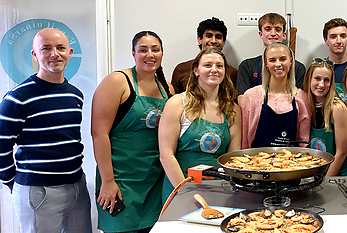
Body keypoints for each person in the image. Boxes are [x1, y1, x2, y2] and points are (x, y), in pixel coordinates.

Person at [0, 28, 92, 233]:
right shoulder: (18, 98)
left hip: (77, 185)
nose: (54, 54)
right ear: (35, 55)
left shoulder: (75, 95)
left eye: (60, 48)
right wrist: (12, 182)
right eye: (46, 48)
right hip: (38, 191)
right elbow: (1, 144)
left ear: (70, 52)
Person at [92, 31, 173, 233]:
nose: (150, 55)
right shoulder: (117, 82)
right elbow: (98, 134)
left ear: (162, 53)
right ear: (133, 53)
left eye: (155, 49)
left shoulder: (167, 89)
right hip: (121, 179)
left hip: (154, 181)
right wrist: (108, 181)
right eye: (143, 50)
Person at [159, 48, 241, 202]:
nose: (214, 70)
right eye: (208, 65)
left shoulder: (233, 110)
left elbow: (233, 158)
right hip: (179, 187)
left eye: (219, 66)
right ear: (196, 70)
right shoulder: (177, 104)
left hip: (218, 189)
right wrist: (184, 192)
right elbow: (166, 155)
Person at [241, 42, 310, 149]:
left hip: (291, 163)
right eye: (272, 60)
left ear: (291, 61)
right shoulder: (250, 96)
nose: (278, 64)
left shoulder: (302, 98)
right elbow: (244, 141)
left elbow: (304, 143)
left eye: (283, 59)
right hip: (255, 163)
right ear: (266, 63)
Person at [237, 13, 306, 103]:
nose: (273, 33)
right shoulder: (247, 66)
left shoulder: (298, 68)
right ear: (261, 34)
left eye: (278, 29)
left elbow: (300, 100)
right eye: (268, 29)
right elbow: (242, 100)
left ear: (284, 35)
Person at [305, 59, 347, 176]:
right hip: (314, 172)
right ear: (309, 79)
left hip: (335, 175)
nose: (321, 84)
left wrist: (325, 182)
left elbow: (341, 153)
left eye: (326, 80)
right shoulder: (306, 104)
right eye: (317, 79)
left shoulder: (337, 108)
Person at [171, 17, 237, 94]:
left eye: (218, 37)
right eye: (209, 36)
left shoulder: (233, 73)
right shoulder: (181, 69)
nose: (213, 41)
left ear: (223, 43)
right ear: (199, 39)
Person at [323, 18, 347, 100]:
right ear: (326, 41)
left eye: (343, 36)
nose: (338, 41)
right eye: (333, 37)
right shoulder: (319, 70)